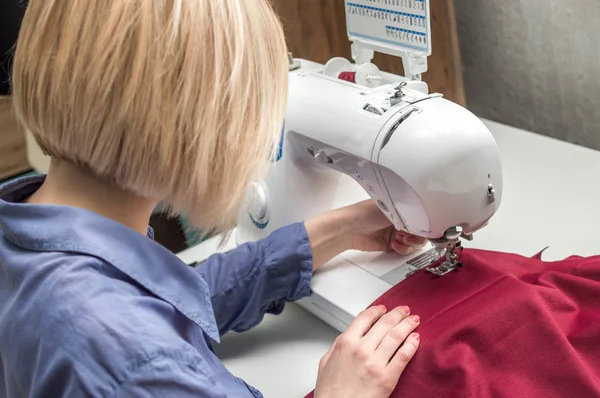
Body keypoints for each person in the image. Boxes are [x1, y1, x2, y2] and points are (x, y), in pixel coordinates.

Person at [0, 1, 427, 397]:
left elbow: (162, 299)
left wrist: (338, 230)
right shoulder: (138, 363)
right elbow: (135, 340)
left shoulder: (33, 239)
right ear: (201, 130)